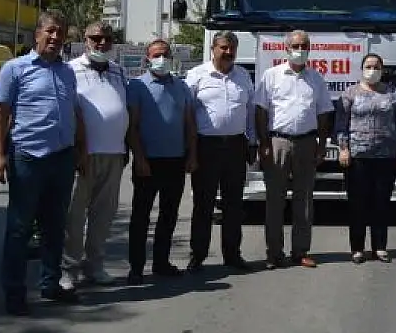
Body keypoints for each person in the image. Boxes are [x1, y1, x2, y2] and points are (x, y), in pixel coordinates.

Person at [0, 10, 85, 315]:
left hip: (61, 158)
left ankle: (50, 283)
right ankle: (15, 293)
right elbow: (0, 115)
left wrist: (78, 151)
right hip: (28, 157)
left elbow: (74, 112)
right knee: (19, 229)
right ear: (38, 34)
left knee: (55, 227)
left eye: (61, 33)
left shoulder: (67, 71)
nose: (56, 38)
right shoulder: (14, 69)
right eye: (51, 31)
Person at [254, 29, 334, 269]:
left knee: (305, 200)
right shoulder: (271, 75)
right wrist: (264, 143)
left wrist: (322, 145)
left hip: (307, 143)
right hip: (277, 142)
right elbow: (260, 111)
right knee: (275, 200)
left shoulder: (316, 78)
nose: (301, 50)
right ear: (286, 49)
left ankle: (300, 251)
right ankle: (274, 253)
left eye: (305, 45)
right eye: (296, 45)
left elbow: (323, 114)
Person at [62, 22, 130, 289]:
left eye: (107, 39)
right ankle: (69, 270)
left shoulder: (119, 71)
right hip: (83, 156)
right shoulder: (70, 70)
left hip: (114, 154)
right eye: (95, 38)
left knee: (104, 215)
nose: (101, 43)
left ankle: (95, 266)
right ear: (85, 39)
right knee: (74, 216)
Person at [126, 39, 197, 284]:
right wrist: (140, 158)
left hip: (175, 160)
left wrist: (192, 154)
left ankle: (161, 262)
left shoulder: (182, 86)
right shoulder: (136, 86)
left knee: (169, 215)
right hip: (148, 162)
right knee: (141, 216)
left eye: (165, 54)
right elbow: (132, 126)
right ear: (147, 58)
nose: (162, 59)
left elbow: (189, 124)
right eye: (157, 55)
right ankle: (136, 267)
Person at [185, 31, 255, 272]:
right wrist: (191, 152)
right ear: (213, 49)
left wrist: (252, 141)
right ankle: (198, 255)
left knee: (234, 204)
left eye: (232, 48)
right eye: (224, 47)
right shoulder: (195, 76)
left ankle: (232, 254)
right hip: (206, 147)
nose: (228, 52)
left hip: (236, 146)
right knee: (203, 204)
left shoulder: (243, 76)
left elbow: (250, 112)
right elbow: (188, 116)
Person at [337, 53, 396, 263]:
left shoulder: (393, 94)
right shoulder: (350, 93)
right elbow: (341, 124)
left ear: (383, 69)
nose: (372, 70)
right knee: (358, 203)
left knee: (381, 203)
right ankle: (357, 248)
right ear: (362, 69)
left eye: (376, 66)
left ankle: (380, 247)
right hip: (358, 157)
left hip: (386, 156)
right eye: (368, 66)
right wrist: (343, 149)